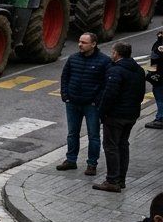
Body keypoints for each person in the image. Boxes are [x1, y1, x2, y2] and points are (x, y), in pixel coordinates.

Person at [95, 42, 146, 194]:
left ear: (117, 53)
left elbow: (109, 94)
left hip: (115, 116)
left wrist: (102, 112)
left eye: (112, 51)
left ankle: (112, 181)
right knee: (123, 146)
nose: (111, 54)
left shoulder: (116, 71)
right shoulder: (138, 70)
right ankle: (121, 180)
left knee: (111, 147)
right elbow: (141, 93)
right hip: (131, 114)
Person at [59, 32, 110, 177]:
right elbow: (65, 77)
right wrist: (65, 95)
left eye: (84, 42)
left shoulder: (104, 61)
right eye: (79, 41)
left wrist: (97, 101)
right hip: (73, 103)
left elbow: (106, 84)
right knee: (72, 134)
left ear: (93, 44)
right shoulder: (73, 58)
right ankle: (71, 160)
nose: (80, 44)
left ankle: (92, 164)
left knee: (93, 135)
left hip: (91, 105)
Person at [148, 29, 163, 129]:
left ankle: (160, 119)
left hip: (160, 76)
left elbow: (155, 60)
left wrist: (151, 75)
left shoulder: (160, 45)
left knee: (160, 97)